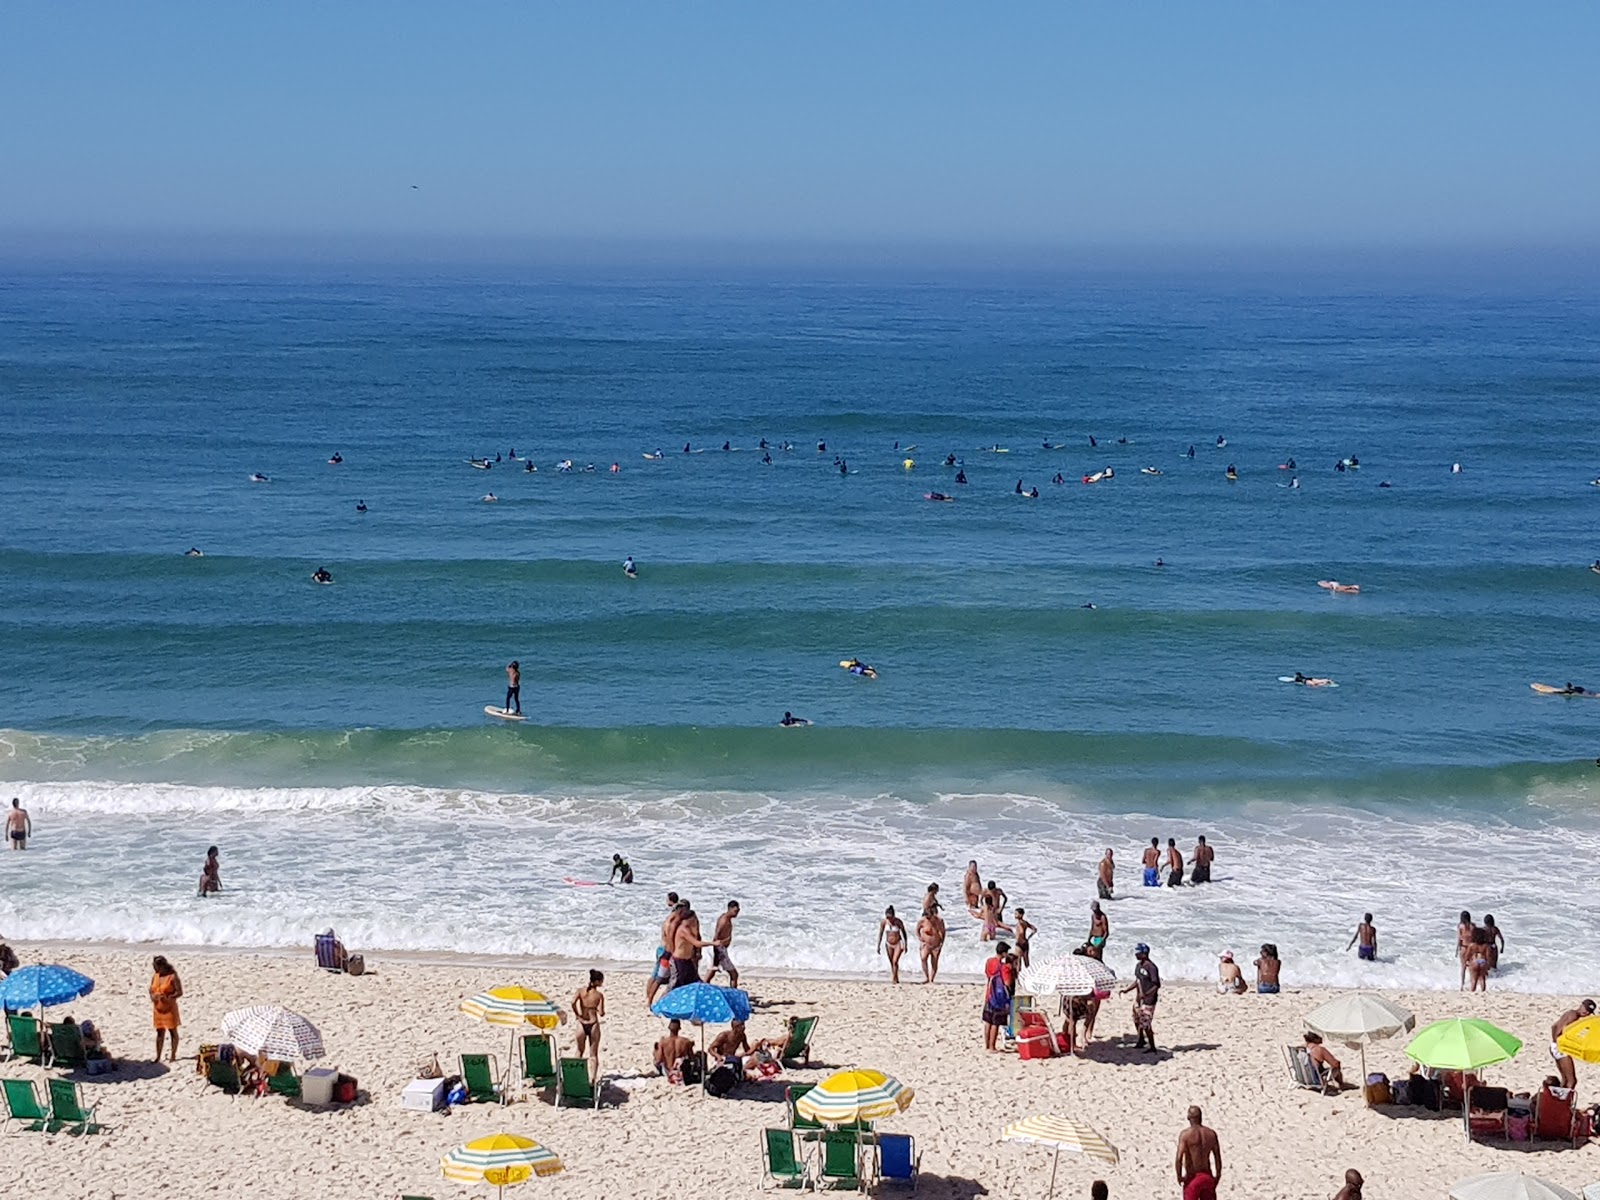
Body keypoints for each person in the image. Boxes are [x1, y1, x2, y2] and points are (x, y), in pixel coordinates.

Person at [1174, 1106, 1222, 1200]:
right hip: (1207, 1176)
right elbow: (1217, 1158)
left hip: (1193, 1178)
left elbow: (1179, 1158)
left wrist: (1179, 1176)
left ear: (1189, 1118)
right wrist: (1217, 1176)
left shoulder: (1185, 1135)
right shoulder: (1211, 1134)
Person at [1123, 943, 1160, 1052]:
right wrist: (1127, 990)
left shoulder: (1151, 967)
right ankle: (1141, 1039)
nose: (1136, 954)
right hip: (1139, 999)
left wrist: (1146, 994)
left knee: (1146, 1023)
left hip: (1149, 1000)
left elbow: (1156, 984)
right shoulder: (1139, 966)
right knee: (1136, 1019)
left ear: (1144, 954)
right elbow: (1137, 981)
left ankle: (1152, 1046)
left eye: (1138, 952)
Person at [1550, 999, 1596, 1089]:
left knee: (1565, 1079)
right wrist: (1561, 1042)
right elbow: (1561, 1031)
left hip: (1554, 1046)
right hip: (1561, 1048)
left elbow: (1554, 1026)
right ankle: (1565, 1101)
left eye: (1588, 1012)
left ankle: (1559, 1100)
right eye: (1585, 1009)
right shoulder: (1574, 1016)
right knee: (1572, 1080)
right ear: (1581, 1005)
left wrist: (1554, 1041)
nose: (1586, 1012)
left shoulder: (1569, 1013)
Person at [646, 894, 682, 1006]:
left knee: (657, 976)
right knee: (657, 976)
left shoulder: (669, 920)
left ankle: (649, 998)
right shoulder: (671, 922)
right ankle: (649, 998)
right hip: (665, 950)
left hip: (663, 949)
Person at [981, 942, 1015, 1052]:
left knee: (988, 1021)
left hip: (989, 994)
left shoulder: (989, 962)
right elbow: (1007, 982)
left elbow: (987, 974)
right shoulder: (1003, 967)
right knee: (996, 1022)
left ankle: (986, 1045)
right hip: (999, 998)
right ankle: (992, 1046)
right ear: (1004, 953)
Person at [572, 969, 605, 1076]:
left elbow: (573, 1002)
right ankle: (593, 1078)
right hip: (593, 1024)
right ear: (597, 982)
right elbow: (601, 1013)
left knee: (579, 1051)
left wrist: (577, 1014)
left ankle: (576, 1075)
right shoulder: (599, 995)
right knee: (593, 1054)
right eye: (601, 981)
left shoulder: (581, 991)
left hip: (582, 1023)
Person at [150, 955, 182, 1062]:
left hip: (169, 1007)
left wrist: (169, 997)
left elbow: (179, 992)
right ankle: (158, 1056)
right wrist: (153, 996)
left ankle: (173, 1055)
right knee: (159, 1032)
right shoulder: (155, 976)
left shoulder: (172, 977)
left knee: (172, 1031)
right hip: (158, 1008)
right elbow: (151, 989)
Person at [703, 900, 740, 988]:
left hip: (722, 949)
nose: (737, 913)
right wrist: (717, 954)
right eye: (735, 911)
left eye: (738, 911)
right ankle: (733, 993)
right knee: (734, 974)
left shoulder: (726, 919)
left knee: (712, 970)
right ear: (730, 909)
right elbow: (716, 938)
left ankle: (703, 986)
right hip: (720, 950)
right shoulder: (724, 921)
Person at [670, 906, 708, 989]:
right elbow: (696, 943)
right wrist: (713, 943)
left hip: (687, 961)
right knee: (674, 985)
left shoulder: (690, 929)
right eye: (693, 920)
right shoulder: (683, 930)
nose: (694, 921)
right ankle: (663, 1000)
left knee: (695, 981)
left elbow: (697, 937)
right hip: (678, 961)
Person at [878, 906, 908, 983]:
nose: (889, 919)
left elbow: (904, 933)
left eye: (890, 917)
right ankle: (896, 977)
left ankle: (894, 979)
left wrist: (905, 944)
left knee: (895, 961)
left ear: (893, 916)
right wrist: (878, 945)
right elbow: (881, 933)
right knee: (892, 962)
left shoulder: (898, 922)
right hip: (888, 944)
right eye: (887, 917)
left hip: (898, 943)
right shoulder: (884, 922)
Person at [917, 908, 945, 983]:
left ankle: (931, 979)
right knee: (923, 958)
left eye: (929, 917)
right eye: (926, 917)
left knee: (934, 961)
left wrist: (941, 943)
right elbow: (917, 930)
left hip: (936, 944)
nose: (928, 918)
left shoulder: (939, 921)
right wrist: (920, 939)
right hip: (926, 944)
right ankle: (926, 977)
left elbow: (943, 932)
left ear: (933, 914)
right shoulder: (922, 921)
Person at [1466, 927, 1492, 992]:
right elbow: (1488, 956)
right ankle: (1483, 992)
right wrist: (1488, 964)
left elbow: (1467, 955)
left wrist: (1467, 962)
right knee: (1482, 979)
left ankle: (1472, 991)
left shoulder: (1471, 945)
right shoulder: (1485, 945)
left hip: (1474, 961)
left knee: (1473, 979)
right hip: (1483, 961)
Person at [1457, 910, 1476, 989]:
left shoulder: (1460, 926)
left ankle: (1462, 984)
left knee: (1463, 967)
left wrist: (1457, 948)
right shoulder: (1473, 926)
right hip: (1472, 947)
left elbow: (1459, 938)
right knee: (1472, 966)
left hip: (1464, 947)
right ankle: (1472, 983)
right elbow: (1475, 937)